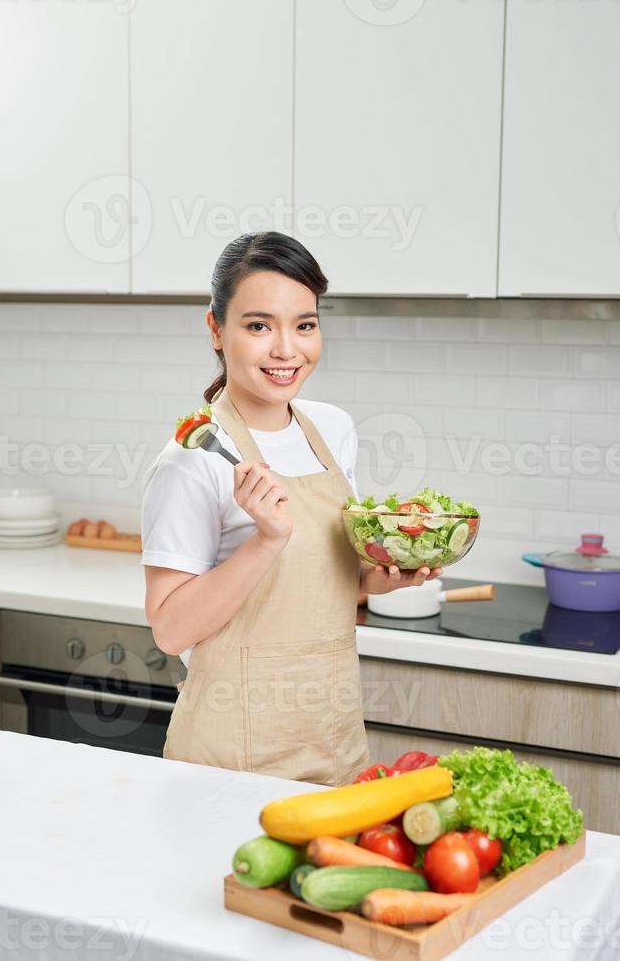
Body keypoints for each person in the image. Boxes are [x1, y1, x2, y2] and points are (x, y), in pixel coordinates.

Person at [141, 230, 441, 786]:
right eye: (259, 326)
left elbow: (325, 581)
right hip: (230, 759)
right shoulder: (193, 458)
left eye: (305, 324)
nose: (287, 350)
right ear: (215, 329)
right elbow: (169, 629)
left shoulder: (333, 428)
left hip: (332, 740)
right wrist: (266, 541)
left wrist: (385, 574)